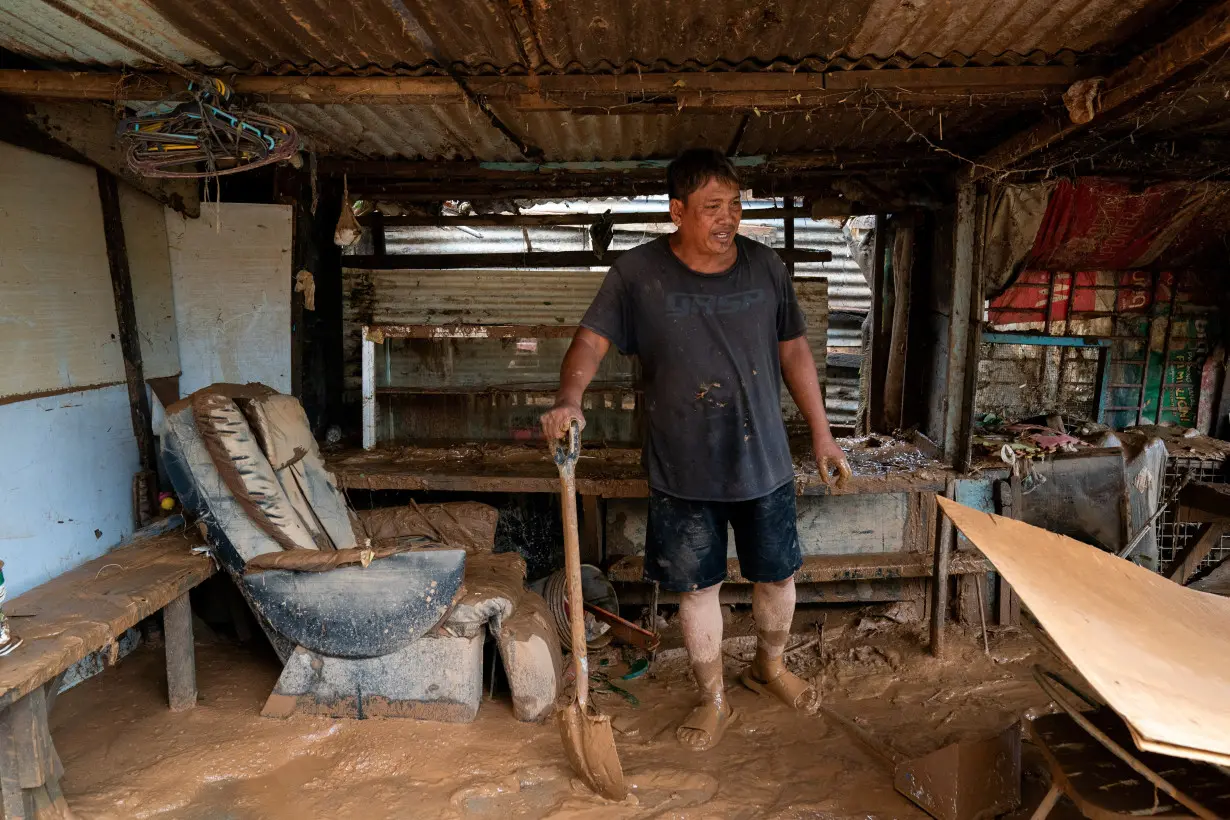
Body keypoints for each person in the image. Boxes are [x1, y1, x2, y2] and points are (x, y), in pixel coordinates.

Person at [539, 148, 851, 752]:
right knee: (697, 590)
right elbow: (589, 342)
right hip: (682, 467)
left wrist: (822, 432)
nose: (728, 218)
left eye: (735, 205)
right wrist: (569, 398)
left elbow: (794, 353)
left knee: (778, 578)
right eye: (712, 207)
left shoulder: (765, 268)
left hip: (763, 460)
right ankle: (713, 698)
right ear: (677, 211)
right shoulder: (638, 274)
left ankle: (771, 665)